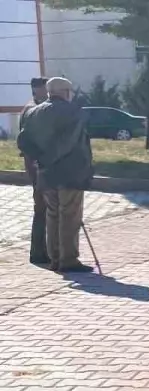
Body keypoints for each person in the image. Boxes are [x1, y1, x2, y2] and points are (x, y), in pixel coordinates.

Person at [18, 77, 94, 273]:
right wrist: (50, 158)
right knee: (69, 216)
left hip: (45, 172)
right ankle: (68, 260)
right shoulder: (73, 112)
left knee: (52, 215)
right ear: (65, 92)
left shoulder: (32, 112)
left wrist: (40, 159)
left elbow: (23, 140)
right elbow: (69, 142)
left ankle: (54, 258)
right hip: (70, 172)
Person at [17, 77, 50, 265]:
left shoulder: (37, 107)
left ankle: (43, 250)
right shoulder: (31, 110)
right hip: (36, 165)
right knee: (41, 209)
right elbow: (27, 143)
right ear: (36, 89)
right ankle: (38, 252)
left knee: (43, 209)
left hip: (38, 164)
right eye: (44, 89)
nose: (47, 92)